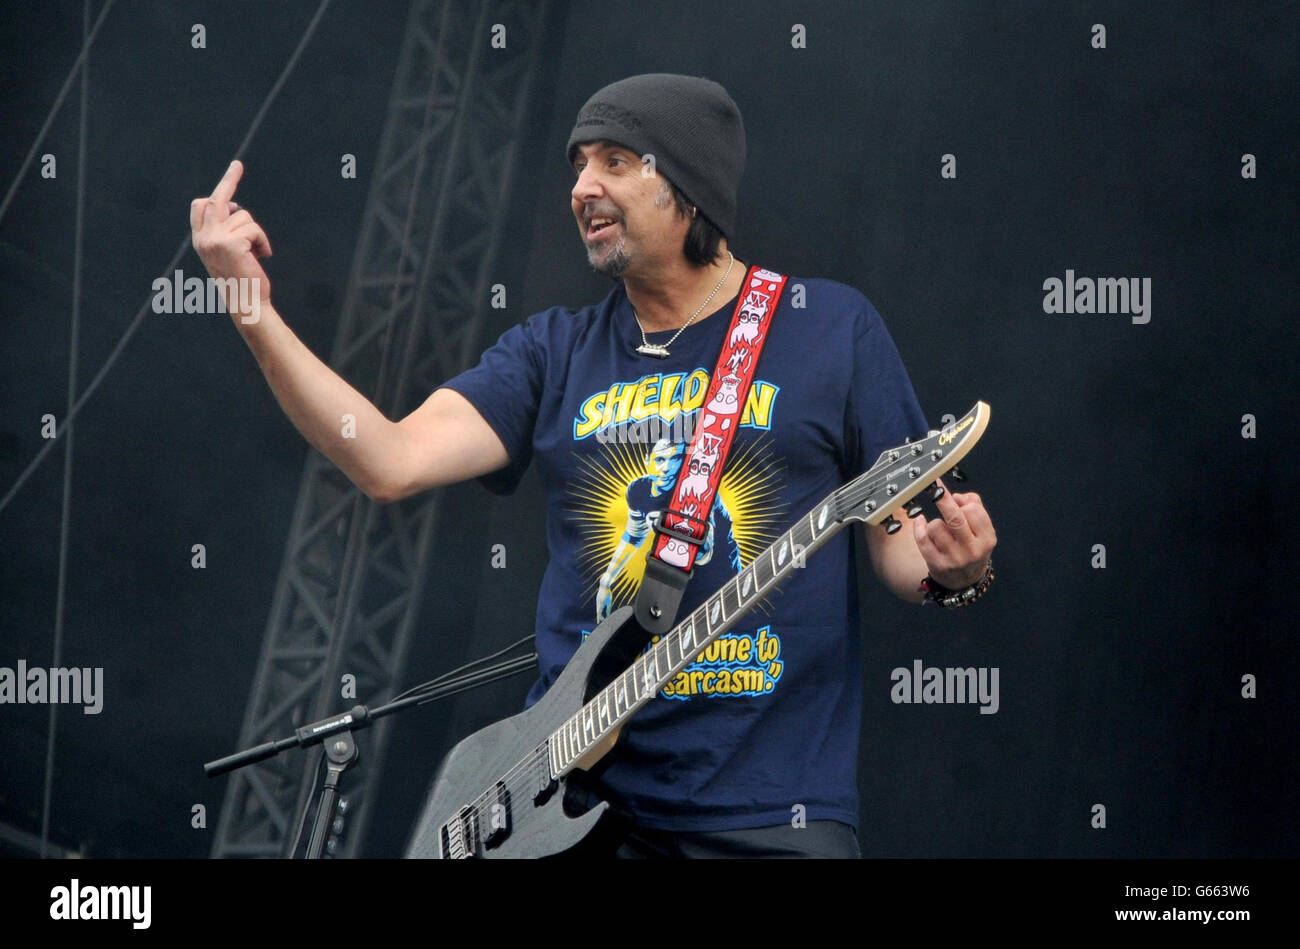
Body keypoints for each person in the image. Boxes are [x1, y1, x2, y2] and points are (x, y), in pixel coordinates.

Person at [190, 73, 997, 859]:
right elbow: (388, 459)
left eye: (615, 161)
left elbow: (904, 544)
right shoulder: (553, 350)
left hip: (770, 806)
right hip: (569, 802)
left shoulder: (831, 330)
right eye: (578, 163)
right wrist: (251, 309)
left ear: (689, 189)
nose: (583, 186)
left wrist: (955, 571)